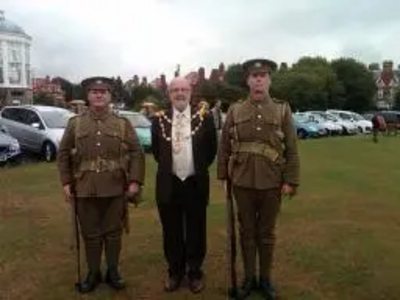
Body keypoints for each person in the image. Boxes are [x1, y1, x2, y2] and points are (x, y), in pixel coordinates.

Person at [217, 59, 300, 300]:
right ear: (248, 81)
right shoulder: (235, 110)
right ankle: (248, 278)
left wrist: (291, 180)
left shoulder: (282, 109)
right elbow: (224, 147)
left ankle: (265, 279)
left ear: (269, 80)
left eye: (263, 75)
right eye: (254, 76)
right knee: (246, 233)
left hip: (273, 182)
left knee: (266, 233)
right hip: (241, 182)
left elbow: (292, 149)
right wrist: (223, 175)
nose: (259, 79)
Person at [57, 76, 145, 293]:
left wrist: (134, 181)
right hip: (85, 188)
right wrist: (66, 182)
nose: (98, 95)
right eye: (94, 91)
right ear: (87, 96)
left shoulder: (122, 124)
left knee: (114, 233)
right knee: (90, 234)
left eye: (103, 91)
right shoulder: (75, 124)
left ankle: (113, 271)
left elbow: (137, 152)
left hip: (115, 188)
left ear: (109, 96)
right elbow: (63, 153)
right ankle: (93, 272)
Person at [151, 77, 217, 294]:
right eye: (175, 90)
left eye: (184, 89)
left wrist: (191, 168)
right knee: (171, 231)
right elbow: (158, 153)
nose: (180, 93)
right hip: (169, 183)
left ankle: (195, 273)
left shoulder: (204, 118)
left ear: (191, 92)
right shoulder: (158, 120)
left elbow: (210, 151)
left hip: (194, 182)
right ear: (169, 93)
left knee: (197, 229)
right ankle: (175, 272)